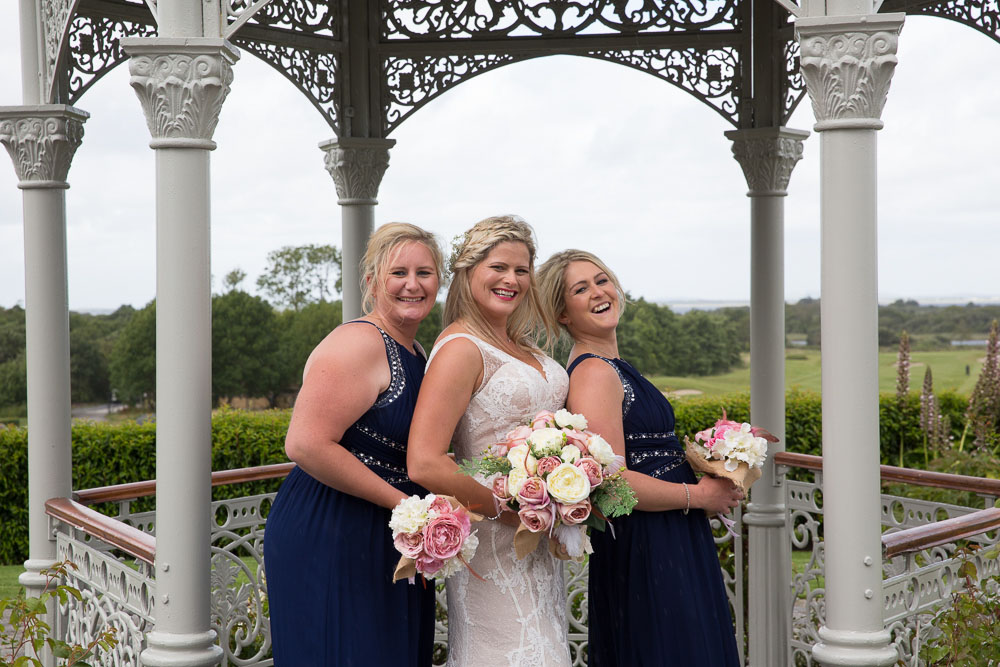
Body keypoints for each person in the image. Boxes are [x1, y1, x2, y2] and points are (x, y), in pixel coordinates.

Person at [536, 249, 743, 667]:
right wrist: (699, 496)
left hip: (669, 530)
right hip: (649, 543)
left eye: (601, 280)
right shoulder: (594, 372)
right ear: (562, 312)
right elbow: (614, 484)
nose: (598, 291)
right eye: (580, 288)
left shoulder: (614, 365)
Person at [264, 223, 443, 667]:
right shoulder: (359, 342)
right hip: (333, 527)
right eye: (398, 272)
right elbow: (305, 444)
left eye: (425, 272)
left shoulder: (417, 351)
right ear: (372, 282)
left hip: (390, 530)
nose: (413, 284)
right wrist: (408, 506)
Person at [407, 216, 572, 667]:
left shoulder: (522, 345)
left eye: (522, 270)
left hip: (536, 542)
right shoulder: (462, 347)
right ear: (468, 271)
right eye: (498, 267)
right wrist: (513, 511)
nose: (511, 279)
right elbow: (424, 461)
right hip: (495, 537)